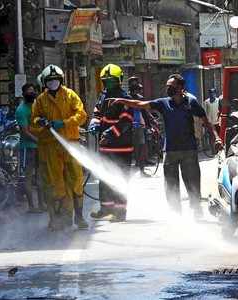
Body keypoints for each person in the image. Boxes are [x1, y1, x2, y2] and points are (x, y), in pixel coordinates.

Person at [111, 74, 222, 218]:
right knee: (171, 186)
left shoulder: (191, 102)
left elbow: (206, 122)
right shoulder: (163, 103)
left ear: (181, 88)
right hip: (170, 152)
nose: (168, 88)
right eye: (167, 86)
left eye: (171, 86)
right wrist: (121, 100)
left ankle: (196, 211)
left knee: (193, 183)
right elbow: (140, 105)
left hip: (189, 150)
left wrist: (217, 138)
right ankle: (176, 215)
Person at [30, 65, 88, 230]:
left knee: (76, 179)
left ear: (61, 80)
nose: (53, 83)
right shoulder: (40, 100)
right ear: (45, 83)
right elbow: (33, 122)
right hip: (49, 147)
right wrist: (40, 123)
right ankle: (58, 218)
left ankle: (79, 216)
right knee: (55, 184)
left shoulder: (70, 95)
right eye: (50, 81)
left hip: (71, 144)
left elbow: (82, 115)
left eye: (55, 80)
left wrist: (64, 123)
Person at [88, 64, 134, 222]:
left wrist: (109, 133)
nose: (109, 85)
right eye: (106, 81)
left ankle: (120, 212)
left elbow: (126, 121)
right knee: (105, 178)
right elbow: (97, 112)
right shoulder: (103, 96)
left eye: (112, 81)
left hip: (122, 147)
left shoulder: (125, 98)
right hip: (105, 147)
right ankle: (106, 208)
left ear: (119, 80)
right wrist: (94, 123)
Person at [15, 83, 45, 213]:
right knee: (28, 176)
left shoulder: (36, 106)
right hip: (28, 147)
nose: (31, 93)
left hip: (39, 147)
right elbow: (24, 131)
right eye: (29, 91)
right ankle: (32, 206)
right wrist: (38, 140)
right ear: (23, 94)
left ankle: (42, 205)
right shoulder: (21, 110)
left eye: (33, 91)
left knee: (40, 176)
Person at [128, 76, 149, 175]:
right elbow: (145, 113)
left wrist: (148, 124)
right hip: (133, 127)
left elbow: (145, 113)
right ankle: (140, 169)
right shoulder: (134, 98)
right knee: (140, 147)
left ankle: (140, 169)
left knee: (138, 148)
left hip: (134, 127)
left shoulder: (127, 98)